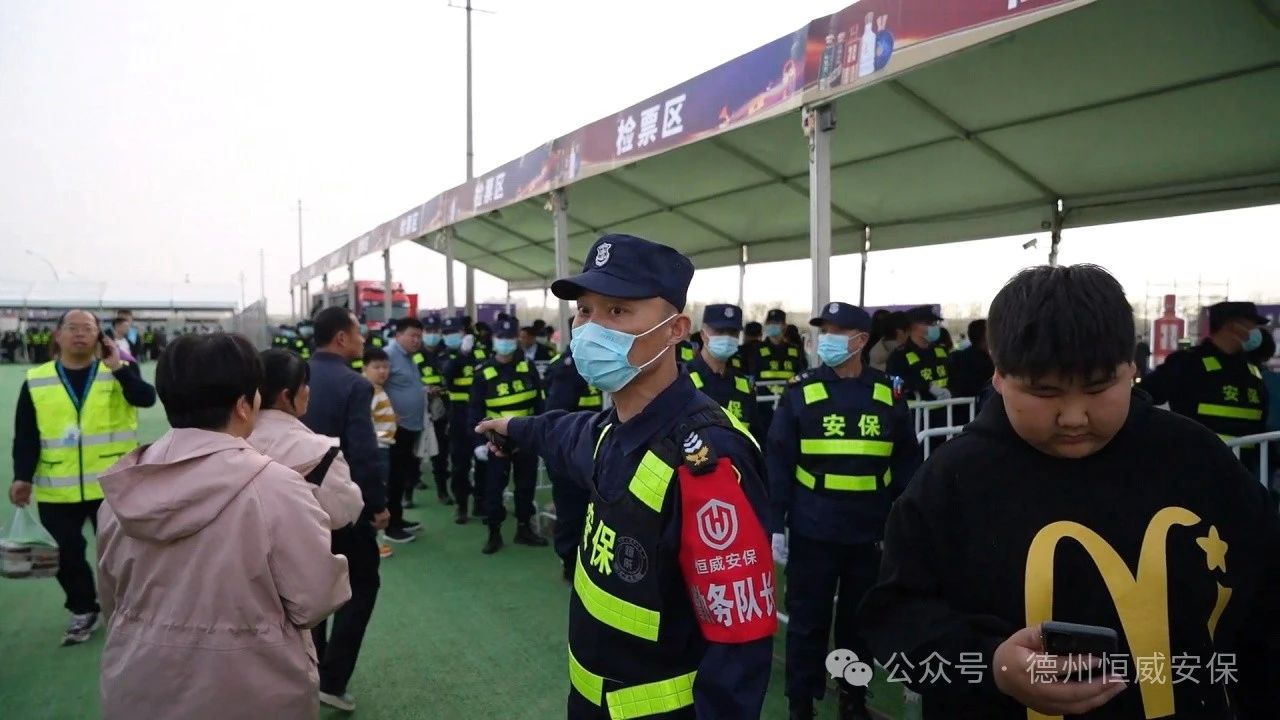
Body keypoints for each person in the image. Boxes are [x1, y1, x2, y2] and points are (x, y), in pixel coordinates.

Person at [858, 265, 1280, 719]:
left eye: (1099, 388)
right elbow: (896, 615)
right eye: (1044, 392)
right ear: (999, 377)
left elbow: (1266, 602)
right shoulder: (952, 479)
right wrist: (993, 664)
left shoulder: (1195, 459)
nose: (1074, 417)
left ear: (1131, 369)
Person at [477, 234, 777, 719]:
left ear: (675, 329)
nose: (591, 329)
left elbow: (738, 641)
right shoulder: (610, 430)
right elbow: (562, 434)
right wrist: (513, 429)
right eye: (585, 311)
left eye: (617, 311)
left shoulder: (708, 458)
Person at [96, 333, 351, 720]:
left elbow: (111, 597)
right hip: (253, 688)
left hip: (138, 684)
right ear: (244, 405)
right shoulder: (276, 488)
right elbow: (316, 598)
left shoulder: (124, 486)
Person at [767, 302, 921, 720]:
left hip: (868, 529)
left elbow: (906, 463)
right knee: (807, 621)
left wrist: (907, 524)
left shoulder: (888, 392)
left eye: (836, 331)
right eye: (824, 331)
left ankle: (853, 697)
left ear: (861, 340)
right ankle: (801, 702)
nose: (827, 339)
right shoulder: (801, 391)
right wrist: (775, 523)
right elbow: (779, 461)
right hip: (813, 527)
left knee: (858, 622)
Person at [8, 309, 156, 645]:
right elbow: (26, 435)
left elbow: (146, 398)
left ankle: (130, 609)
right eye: (72, 328)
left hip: (111, 484)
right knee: (65, 554)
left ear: (99, 336)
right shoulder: (37, 380)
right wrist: (22, 477)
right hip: (57, 488)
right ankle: (83, 608)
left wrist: (118, 368)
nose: (79, 334)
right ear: (57, 335)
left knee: (121, 554)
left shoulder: (117, 371)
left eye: (88, 328)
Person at [300, 306, 389, 713]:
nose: (362, 339)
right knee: (363, 583)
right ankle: (332, 678)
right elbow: (363, 452)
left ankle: (309, 667)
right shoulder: (354, 384)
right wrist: (377, 505)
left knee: (309, 586)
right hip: (341, 504)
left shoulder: (296, 374)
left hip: (295, 502)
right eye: (357, 332)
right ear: (341, 338)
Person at [248, 348, 364, 531]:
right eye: (304, 384)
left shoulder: (232, 440)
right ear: (286, 396)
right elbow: (344, 513)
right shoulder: (319, 454)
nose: (308, 390)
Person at [1141, 301, 1268, 450]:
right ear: (1233, 327)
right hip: (1195, 459)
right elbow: (1143, 396)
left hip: (1246, 463)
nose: (1257, 332)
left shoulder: (1252, 369)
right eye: (1252, 326)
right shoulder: (1188, 363)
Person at [469, 316, 548, 554]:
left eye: (510, 337)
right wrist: (479, 443)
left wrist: (542, 433)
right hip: (496, 442)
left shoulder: (527, 367)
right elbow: (475, 410)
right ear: (494, 339)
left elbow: (539, 404)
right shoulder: (483, 373)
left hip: (526, 438)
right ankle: (494, 532)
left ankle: (524, 528)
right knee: (494, 488)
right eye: (501, 337)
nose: (505, 341)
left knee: (526, 485)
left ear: (517, 339)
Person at [543, 344, 603, 580]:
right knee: (572, 513)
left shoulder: (610, 364)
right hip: (570, 453)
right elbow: (556, 418)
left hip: (601, 450)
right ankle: (570, 565)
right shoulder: (566, 367)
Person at [381, 317, 426, 543]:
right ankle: (391, 526)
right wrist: (387, 414)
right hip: (395, 429)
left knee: (401, 475)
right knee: (394, 477)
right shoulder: (387, 356)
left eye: (419, 336)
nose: (416, 340)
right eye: (412, 336)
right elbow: (374, 386)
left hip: (410, 426)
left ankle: (398, 518)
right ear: (398, 335)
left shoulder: (409, 357)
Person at [442, 316, 489, 523]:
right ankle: (461, 505)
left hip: (479, 414)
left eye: (455, 332)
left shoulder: (481, 352)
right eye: (447, 333)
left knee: (483, 462)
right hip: (458, 416)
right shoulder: (445, 354)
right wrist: (461, 354)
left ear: (463, 332)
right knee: (460, 464)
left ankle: (480, 501)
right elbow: (447, 375)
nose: (451, 336)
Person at [687, 304, 759, 437]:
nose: (727, 338)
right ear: (703, 335)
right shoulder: (681, 378)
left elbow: (755, 433)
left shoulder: (744, 385)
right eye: (719, 331)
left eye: (732, 333)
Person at [363, 346, 399, 558]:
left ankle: (375, 540)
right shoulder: (367, 391)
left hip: (382, 446)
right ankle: (374, 543)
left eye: (386, 367)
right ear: (365, 368)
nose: (383, 371)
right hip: (376, 449)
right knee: (376, 493)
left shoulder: (377, 389)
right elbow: (366, 425)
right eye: (377, 367)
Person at [412, 314, 452, 506]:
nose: (432, 334)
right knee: (413, 450)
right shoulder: (413, 354)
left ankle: (442, 491)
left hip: (442, 408)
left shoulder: (448, 353)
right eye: (428, 331)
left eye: (436, 330)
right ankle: (409, 490)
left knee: (441, 452)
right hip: (418, 407)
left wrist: (442, 389)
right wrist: (423, 390)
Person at [754, 308, 809, 435]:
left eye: (776, 323)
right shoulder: (757, 350)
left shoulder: (795, 351)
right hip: (763, 405)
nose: (773, 326)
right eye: (770, 323)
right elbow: (753, 375)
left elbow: (801, 375)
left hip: (788, 403)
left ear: (784, 325)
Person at [946, 318, 996, 424]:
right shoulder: (986, 362)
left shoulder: (960, 356)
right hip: (977, 415)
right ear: (986, 336)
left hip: (959, 414)